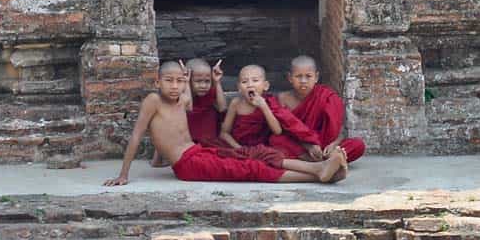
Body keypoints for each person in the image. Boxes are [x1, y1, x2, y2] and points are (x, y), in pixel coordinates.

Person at [104, 61, 347, 185]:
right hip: (188, 165)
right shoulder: (153, 100)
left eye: (179, 81)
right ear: (157, 82)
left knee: (255, 154)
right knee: (249, 170)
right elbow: (137, 136)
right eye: (169, 81)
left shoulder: (181, 98)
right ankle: (318, 174)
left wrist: (196, 80)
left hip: (199, 151)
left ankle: (320, 169)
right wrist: (123, 174)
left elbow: (197, 104)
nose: (175, 86)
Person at [270, 55, 366, 163]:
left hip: (325, 146)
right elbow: (283, 131)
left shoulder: (326, 96)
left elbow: (340, 129)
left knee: (358, 145)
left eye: (308, 76)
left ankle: (326, 159)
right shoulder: (282, 99)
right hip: (300, 145)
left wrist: (333, 144)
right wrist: (308, 146)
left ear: (316, 77)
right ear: (290, 78)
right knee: (276, 140)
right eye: (298, 76)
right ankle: (327, 162)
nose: (303, 81)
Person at [219, 64, 325, 162]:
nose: (250, 85)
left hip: (262, 146)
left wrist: (264, 107)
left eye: (255, 80)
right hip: (239, 146)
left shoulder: (269, 102)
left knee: (280, 141)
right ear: (239, 88)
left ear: (265, 86)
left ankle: (313, 160)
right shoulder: (236, 104)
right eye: (244, 82)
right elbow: (224, 133)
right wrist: (238, 148)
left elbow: (277, 131)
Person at [150, 57, 225, 167]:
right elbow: (188, 109)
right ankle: (157, 158)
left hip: (207, 137)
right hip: (186, 138)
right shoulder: (181, 93)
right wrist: (186, 82)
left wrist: (217, 82)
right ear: (189, 79)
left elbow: (222, 107)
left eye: (207, 81)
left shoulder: (211, 92)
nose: (203, 86)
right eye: (198, 81)